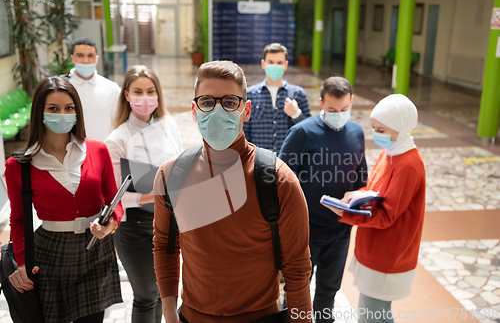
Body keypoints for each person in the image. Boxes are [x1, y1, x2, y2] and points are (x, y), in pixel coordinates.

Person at [153, 60, 312, 322]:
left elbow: (297, 268)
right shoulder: (171, 175)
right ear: (194, 110)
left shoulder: (278, 180)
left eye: (229, 102)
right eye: (207, 102)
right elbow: (166, 246)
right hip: (192, 317)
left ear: (246, 110)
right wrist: (169, 313)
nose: (217, 111)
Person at [5, 76, 124, 323]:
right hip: (50, 252)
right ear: (40, 113)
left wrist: (109, 224)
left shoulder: (97, 150)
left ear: (77, 112)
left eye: (69, 108)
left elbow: (115, 202)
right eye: (53, 109)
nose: (63, 114)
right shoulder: (19, 166)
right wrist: (22, 261)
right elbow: (17, 219)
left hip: (95, 250)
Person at [322, 94, 426, 323]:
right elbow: (375, 189)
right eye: (375, 128)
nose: (376, 135)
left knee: (373, 315)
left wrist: (347, 214)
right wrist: (354, 196)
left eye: (381, 130)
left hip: (388, 252)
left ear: (401, 127)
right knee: (369, 312)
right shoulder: (390, 152)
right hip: (373, 246)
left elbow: (387, 215)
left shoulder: (408, 164)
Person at [279, 76, 367, 323]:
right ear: (321, 103)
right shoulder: (302, 132)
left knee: (329, 290)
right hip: (307, 230)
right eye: (332, 110)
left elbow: (361, 177)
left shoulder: (357, 132)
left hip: (340, 230)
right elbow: (282, 178)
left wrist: (357, 197)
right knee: (297, 290)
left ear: (351, 102)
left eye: (344, 109)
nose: (339, 114)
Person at [105, 65, 183, 323]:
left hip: (167, 223)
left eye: (151, 91)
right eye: (138, 91)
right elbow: (117, 195)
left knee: (164, 293)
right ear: (126, 95)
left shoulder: (169, 125)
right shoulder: (118, 139)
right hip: (134, 227)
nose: (145, 97)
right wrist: (163, 192)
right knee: (146, 295)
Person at [243, 43, 311, 153]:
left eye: (279, 63)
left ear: (286, 65)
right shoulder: (250, 94)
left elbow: (309, 131)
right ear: (263, 64)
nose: (275, 66)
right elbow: (244, 131)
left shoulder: (298, 94)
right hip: (259, 160)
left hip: (289, 161)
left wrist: (296, 114)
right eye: (271, 62)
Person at [68, 37, 121, 141]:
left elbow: (118, 124)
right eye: (80, 56)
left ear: (97, 59)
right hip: (71, 152)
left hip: (104, 150)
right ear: (72, 59)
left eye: (90, 56)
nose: (85, 61)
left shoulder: (112, 88)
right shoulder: (63, 88)